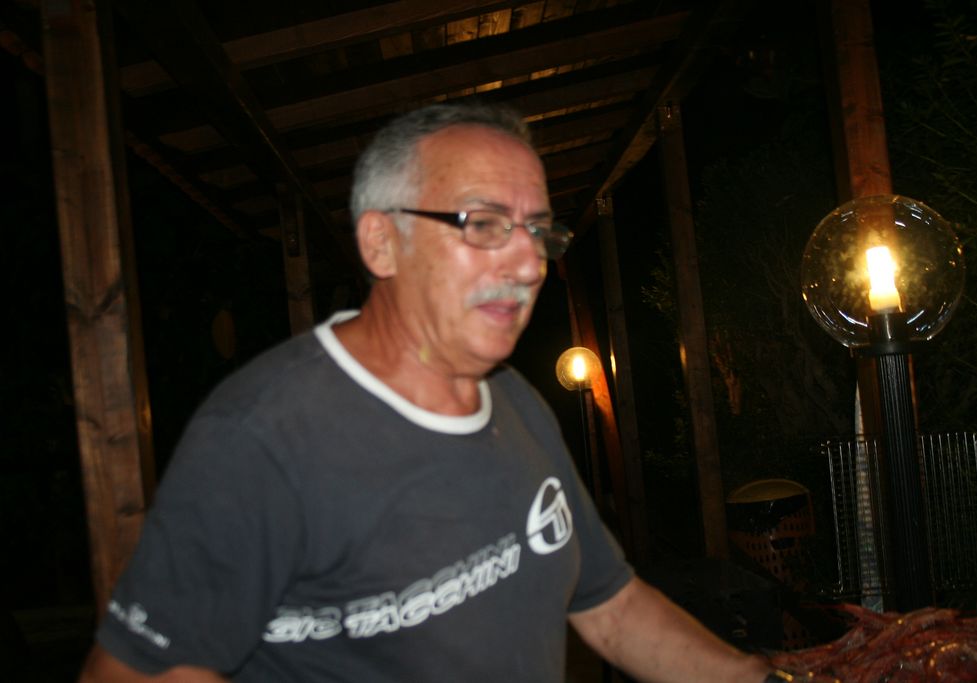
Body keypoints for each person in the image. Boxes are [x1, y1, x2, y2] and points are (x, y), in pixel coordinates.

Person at [79, 102, 781, 682]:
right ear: (381, 243)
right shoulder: (264, 436)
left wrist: (758, 678)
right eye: (484, 224)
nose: (529, 262)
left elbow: (612, 606)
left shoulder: (517, 402)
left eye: (539, 230)